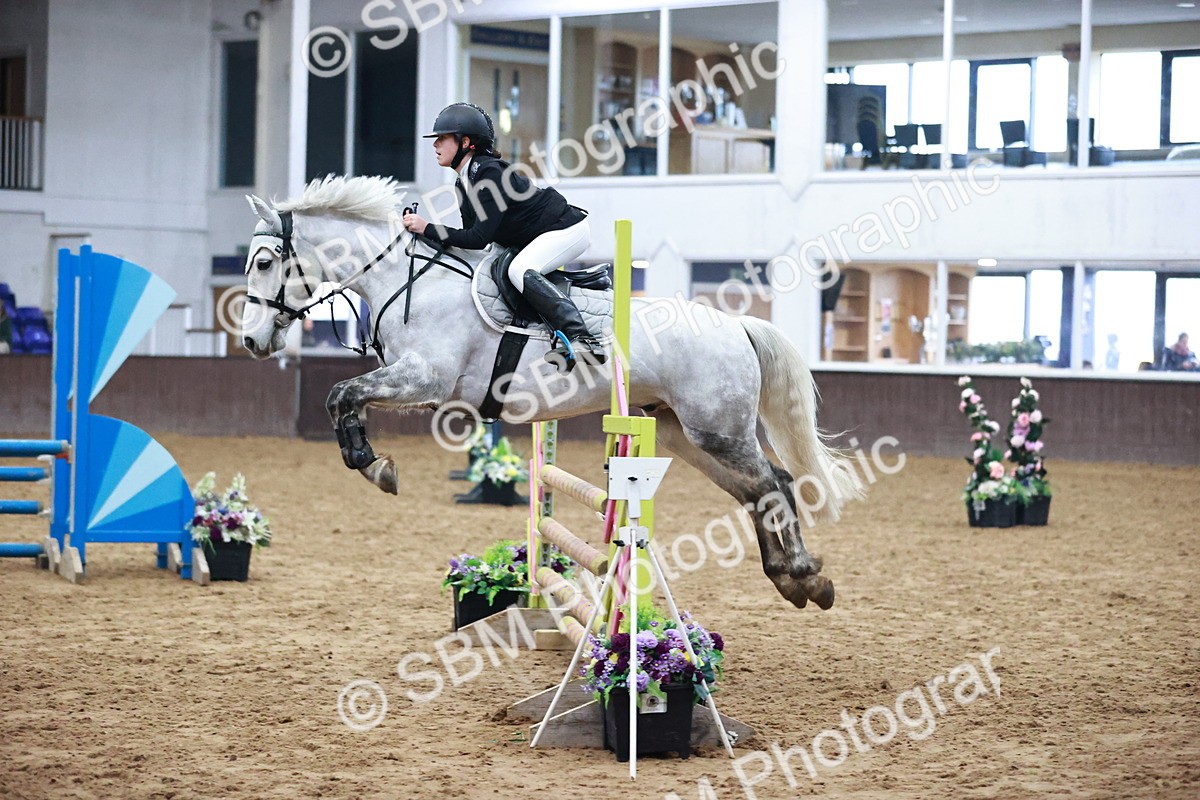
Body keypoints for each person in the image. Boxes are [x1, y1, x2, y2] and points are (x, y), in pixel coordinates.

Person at [402, 102, 604, 371]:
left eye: (442, 138)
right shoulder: (464, 181)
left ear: (466, 142)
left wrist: (427, 228)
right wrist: (426, 236)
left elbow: (477, 238)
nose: (435, 144)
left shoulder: (489, 173)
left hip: (566, 230)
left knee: (520, 271)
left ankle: (582, 339)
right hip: (534, 236)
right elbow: (472, 242)